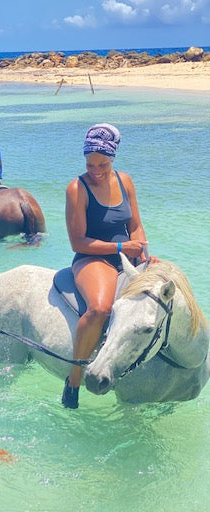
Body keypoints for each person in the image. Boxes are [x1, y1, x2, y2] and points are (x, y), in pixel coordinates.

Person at [63, 123, 158, 409]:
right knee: (101, 309)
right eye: (90, 163)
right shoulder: (76, 189)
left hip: (128, 257)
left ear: (113, 158)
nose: (96, 169)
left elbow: (136, 225)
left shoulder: (125, 181)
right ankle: (74, 380)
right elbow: (78, 242)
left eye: (102, 163)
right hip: (92, 259)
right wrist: (120, 247)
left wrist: (141, 249)